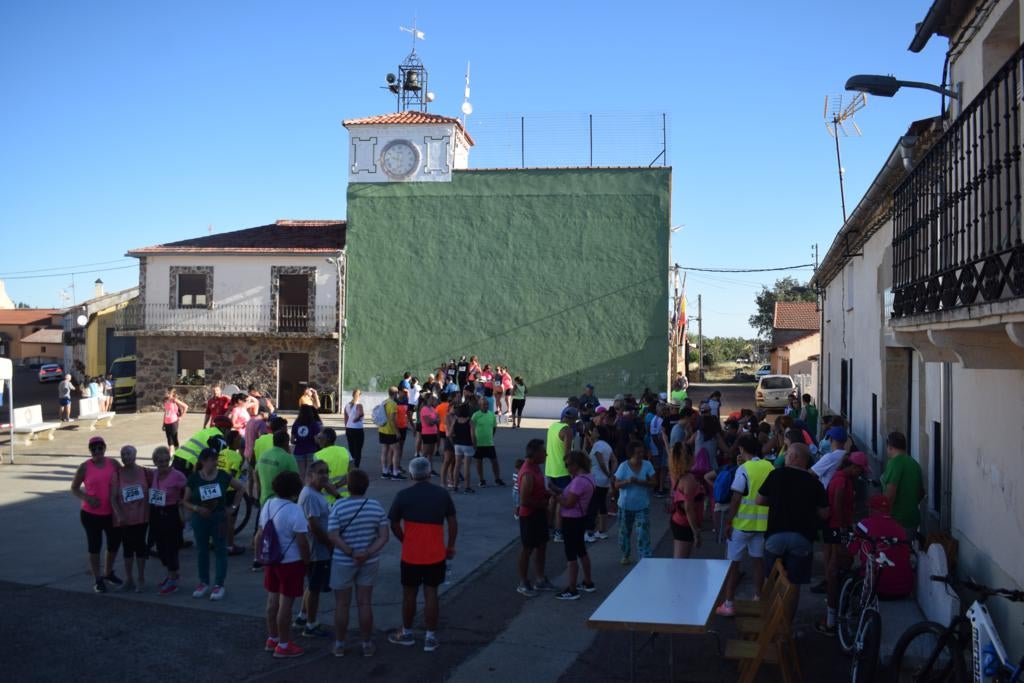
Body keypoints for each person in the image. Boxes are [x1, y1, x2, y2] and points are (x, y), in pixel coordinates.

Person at [387, 457, 457, 653]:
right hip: (435, 554)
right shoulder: (442, 494)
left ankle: (407, 633)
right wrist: (450, 546)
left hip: (411, 554)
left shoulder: (402, 495)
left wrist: (404, 539)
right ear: (428, 473)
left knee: (409, 594)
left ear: (411, 474)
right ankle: (430, 637)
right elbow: (452, 522)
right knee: (431, 593)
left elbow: (393, 523)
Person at [756, 443, 830, 606]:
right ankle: (786, 625)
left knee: (771, 578)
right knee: (794, 584)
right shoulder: (814, 482)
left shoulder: (776, 475)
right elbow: (825, 513)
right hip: (802, 537)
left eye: (788, 453)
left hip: (775, 534)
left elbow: (759, 500)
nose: (785, 457)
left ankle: (769, 621)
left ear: (795, 457)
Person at [328, 469, 390, 658]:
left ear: (348, 486)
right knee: (364, 602)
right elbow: (384, 537)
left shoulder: (339, 506)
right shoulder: (375, 507)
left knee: (342, 604)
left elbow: (333, 535)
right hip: (369, 560)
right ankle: (366, 643)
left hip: (343, 560)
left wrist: (350, 552)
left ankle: (339, 644)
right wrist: (367, 552)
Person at [715, 429, 774, 617]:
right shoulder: (769, 467)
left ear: (742, 449)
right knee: (758, 562)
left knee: (733, 565)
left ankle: (729, 604)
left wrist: (729, 522)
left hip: (741, 525)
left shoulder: (744, 469)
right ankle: (758, 597)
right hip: (762, 526)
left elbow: (736, 498)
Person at [257, 471, 310, 659]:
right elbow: (302, 542)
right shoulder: (295, 510)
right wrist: (307, 562)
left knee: (272, 601)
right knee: (285, 604)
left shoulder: (268, 505)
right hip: (291, 563)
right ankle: (284, 644)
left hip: (271, 560)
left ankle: (272, 638)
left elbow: (260, 534)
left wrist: (259, 557)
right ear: (295, 491)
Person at [816, 451, 868, 636]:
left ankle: (832, 608)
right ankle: (832, 612)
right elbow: (837, 503)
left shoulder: (841, 478)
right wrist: (843, 527)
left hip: (834, 527)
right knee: (837, 565)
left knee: (833, 566)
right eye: (860, 470)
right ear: (853, 467)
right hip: (837, 527)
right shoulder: (842, 480)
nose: (860, 474)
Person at [183, 448, 244, 601]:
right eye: (212, 460)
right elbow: (184, 501)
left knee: (220, 550)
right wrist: (197, 508)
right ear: (203, 461)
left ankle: (219, 584)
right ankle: (203, 582)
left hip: (219, 518)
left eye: (216, 459)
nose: (215, 463)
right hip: (200, 519)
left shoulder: (223, 476)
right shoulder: (194, 478)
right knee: (202, 550)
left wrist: (233, 508)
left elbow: (241, 488)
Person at [71, 435, 123, 593]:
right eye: (93, 449)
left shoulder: (113, 463)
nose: (97, 451)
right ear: (90, 450)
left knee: (114, 544)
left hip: (111, 512)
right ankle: (97, 578)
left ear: (104, 448)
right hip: (90, 514)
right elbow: (74, 488)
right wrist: (87, 497)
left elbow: (125, 478)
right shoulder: (84, 467)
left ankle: (108, 572)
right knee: (95, 546)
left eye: (100, 448)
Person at [293, 461, 333, 638]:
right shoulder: (310, 495)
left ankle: (302, 616)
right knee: (315, 588)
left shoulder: (315, 492)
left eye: (326, 472)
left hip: (318, 548)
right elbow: (314, 526)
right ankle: (311, 624)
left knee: (311, 585)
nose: (324, 476)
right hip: (317, 549)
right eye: (320, 473)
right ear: (310, 475)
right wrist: (330, 544)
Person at [848, 495, 913, 599]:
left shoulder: (864, 525)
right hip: (903, 591)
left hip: (875, 589)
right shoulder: (900, 528)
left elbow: (851, 551)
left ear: (871, 510)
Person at [553, 450, 596, 600]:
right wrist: (557, 490)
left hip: (571, 520)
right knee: (581, 551)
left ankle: (572, 589)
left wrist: (557, 498)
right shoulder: (587, 477)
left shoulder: (578, 481)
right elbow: (570, 493)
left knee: (571, 555)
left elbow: (569, 503)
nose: (566, 468)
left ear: (576, 464)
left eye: (568, 465)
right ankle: (588, 582)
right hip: (580, 518)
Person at [516, 439, 556, 596]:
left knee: (541, 546)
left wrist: (549, 495)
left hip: (539, 514)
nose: (546, 454)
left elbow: (541, 490)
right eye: (543, 451)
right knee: (527, 549)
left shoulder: (536, 468)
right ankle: (523, 582)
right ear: (535, 453)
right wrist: (544, 504)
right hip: (529, 516)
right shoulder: (527, 473)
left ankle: (540, 580)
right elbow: (525, 500)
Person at [147, 446, 187, 596]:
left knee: (171, 547)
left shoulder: (177, 476)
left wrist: (184, 501)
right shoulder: (154, 474)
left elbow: (189, 489)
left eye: (166, 461)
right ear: (155, 461)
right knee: (161, 547)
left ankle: (173, 579)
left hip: (171, 513)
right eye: (160, 461)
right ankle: (173, 574)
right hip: (156, 513)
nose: (163, 464)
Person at [110, 445, 150, 592]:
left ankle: (141, 578)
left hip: (142, 516)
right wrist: (119, 514)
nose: (125, 456)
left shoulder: (145, 472)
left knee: (140, 546)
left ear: (135, 455)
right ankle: (129, 579)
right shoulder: (117, 474)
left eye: (128, 453)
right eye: (122, 454)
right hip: (125, 518)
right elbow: (113, 498)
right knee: (127, 548)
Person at [613, 440, 656, 564]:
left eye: (642, 451)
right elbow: (616, 484)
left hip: (642, 506)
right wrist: (627, 481)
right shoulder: (623, 466)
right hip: (625, 506)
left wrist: (640, 482)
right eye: (638, 452)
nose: (641, 454)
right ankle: (626, 555)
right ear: (631, 453)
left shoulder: (647, 465)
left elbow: (654, 483)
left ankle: (645, 557)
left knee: (643, 532)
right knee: (624, 534)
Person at [881, 431, 924, 537]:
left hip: (897, 520)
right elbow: (921, 493)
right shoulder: (915, 464)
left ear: (889, 447)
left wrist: (883, 517)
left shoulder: (894, 463)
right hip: (912, 520)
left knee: (893, 552)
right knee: (907, 552)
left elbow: (890, 495)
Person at [668, 442, 704, 559]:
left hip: (679, 521)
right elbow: (689, 508)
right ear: (688, 457)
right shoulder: (689, 479)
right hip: (684, 524)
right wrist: (696, 533)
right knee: (680, 561)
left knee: (680, 560)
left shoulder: (676, 473)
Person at [545, 408, 576, 543]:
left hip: (549, 470)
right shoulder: (567, 430)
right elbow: (567, 454)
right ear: (573, 419)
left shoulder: (552, 426)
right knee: (561, 502)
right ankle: (558, 532)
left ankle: (547, 529)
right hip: (562, 471)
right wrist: (572, 472)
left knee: (552, 499)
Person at [216, 431, 247, 555]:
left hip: (218, 488)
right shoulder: (237, 457)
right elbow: (231, 477)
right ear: (234, 440)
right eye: (239, 438)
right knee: (230, 520)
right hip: (231, 491)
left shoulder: (221, 452)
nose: (241, 440)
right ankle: (230, 546)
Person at [585, 424, 615, 542]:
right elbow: (614, 460)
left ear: (598, 433)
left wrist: (608, 474)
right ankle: (601, 531)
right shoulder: (607, 446)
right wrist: (611, 474)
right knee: (602, 504)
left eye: (594, 431)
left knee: (592, 505)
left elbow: (601, 463)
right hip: (604, 481)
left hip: (596, 479)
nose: (592, 433)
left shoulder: (597, 446)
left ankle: (590, 532)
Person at [255, 431, 299, 505]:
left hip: (264, 502)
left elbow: (255, 473)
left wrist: (259, 493)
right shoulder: (288, 458)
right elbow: (297, 481)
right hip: (281, 504)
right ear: (286, 442)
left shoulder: (263, 455)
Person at [471, 396, 504, 487]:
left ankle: (497, 479)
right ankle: (481, 480)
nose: (486, 406)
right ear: (480, 405)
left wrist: (490, 437)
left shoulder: (492, 415)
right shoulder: (475, 416)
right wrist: (474, 443)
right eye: (484, 404)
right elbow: (472, 430)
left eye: (487, 404)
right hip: (479, 444)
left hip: (489, 443)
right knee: (479, 462)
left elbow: (494, 428)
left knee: (494, 461)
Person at [313, 427, 352, 504]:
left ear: (326, 439)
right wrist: (337, 486)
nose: (318, 440)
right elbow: (352, 473)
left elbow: (320, 481)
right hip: (346, 496)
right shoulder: (344, 451)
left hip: (327, 500)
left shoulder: (317, 456)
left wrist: (335, 492)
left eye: (320, 438)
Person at [291, 404, 322, 477]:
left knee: (301, 473)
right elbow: (316, 440)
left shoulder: (296, 424)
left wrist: (299, 442)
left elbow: (292, 440)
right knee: (309, 473)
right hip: (311, 449)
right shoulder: (314, 424)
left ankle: (301, 487)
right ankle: (307, 486)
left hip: (298, 450)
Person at [450, 402, 476, 493]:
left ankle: (455, 486)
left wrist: (454, 441)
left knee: (457, 466)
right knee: (466, 466)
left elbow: (449, 433)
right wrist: (475, 445)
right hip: (468, 444)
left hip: (457, 444)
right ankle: (466, 487)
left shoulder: (455, 420)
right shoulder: (470, 421)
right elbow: (473, 435)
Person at [378, 386, 402, 480]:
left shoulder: (385, 402)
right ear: (395, 393)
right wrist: (397, 432)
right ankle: (395, 473)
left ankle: (385, 472)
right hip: (390, 431)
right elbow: (392, 420)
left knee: (385, 450)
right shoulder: (393, 404)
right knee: (396, 450)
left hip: (382, 429)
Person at [161, 388, 188, 456]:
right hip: (167, 422)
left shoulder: (174, 400)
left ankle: (178, 454)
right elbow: (166, 412)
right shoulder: (165, 401)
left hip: (174, 422)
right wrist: (163, 423)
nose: (165, 394)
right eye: (165, 393)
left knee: (174, 438)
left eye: (167, 393)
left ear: (171, 393)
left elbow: (186, 406)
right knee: (169, 438)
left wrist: (181, 417)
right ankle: (171, 454)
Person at [419, 394, 441, 471]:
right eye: (431, 398)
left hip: (433, 432)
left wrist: (435, 421)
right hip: (427, 433)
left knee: (431, 453)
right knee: (425, 452)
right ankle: (420, 469)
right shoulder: (424, 409)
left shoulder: (432, 408)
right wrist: (435, 421)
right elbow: (429, 422)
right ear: (427, 399)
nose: (433, 400)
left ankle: (430, 469)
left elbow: (438, 419)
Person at [344, 389, 365, 468]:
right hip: (357, 429)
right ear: (359, 396)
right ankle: (356, 467)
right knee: (358, 450)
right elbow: (361, 414)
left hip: (349, 428)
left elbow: (345, 418)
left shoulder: (347, 405)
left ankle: (351, 467)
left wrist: (346, 428)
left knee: (351, 449)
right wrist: (356, 419)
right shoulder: (359, 405)